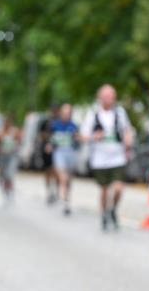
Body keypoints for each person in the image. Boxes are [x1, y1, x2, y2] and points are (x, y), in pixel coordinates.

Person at [82, 85, 134, 231]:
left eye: (112, 96)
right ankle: (104, 213)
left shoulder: (119, 112)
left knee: (118, 188)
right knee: (104, 189)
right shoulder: (93, 114)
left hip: (117, 157)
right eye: (106, 96)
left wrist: (128, 140)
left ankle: (113, 209)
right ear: (100, 97)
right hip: (100, 158)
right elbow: (83, 136)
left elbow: (127, 130)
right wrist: (94, 136)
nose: (109, 99)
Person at [47, 103, 79, 216]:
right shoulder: (55, 125)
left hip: (70, 153)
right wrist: (49, 145)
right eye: (64, 113)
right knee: (63, 177)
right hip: (59, 152)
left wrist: (77, 138)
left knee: (68, 179)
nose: (66, 115)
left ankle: (67, 200)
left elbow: (77, 141)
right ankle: (63, 199)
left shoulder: (74, 126)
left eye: (68, 113)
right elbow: (51, 138)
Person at [0, 117, 21, 203]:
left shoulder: (14, 131)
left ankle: (11, 192)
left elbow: (19, 141)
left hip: (12, 156)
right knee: (4, 176)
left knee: (9, 175)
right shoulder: (0, 132)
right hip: (3, 157)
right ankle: (5, 192)